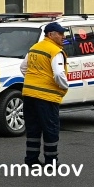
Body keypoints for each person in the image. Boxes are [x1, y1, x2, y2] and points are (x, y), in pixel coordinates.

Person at [20, 21, 70, 166]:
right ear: (50, 35)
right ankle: (51, 161)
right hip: (47, 97)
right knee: (51, 129)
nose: (63, 36)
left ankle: (31, 159)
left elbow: (23, 68)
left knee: (33, 129)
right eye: (60, 34)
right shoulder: (55, 51)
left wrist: (35, 81)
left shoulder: (34, 48)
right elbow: (59, 74)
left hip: (29, 95)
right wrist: (64, 87)